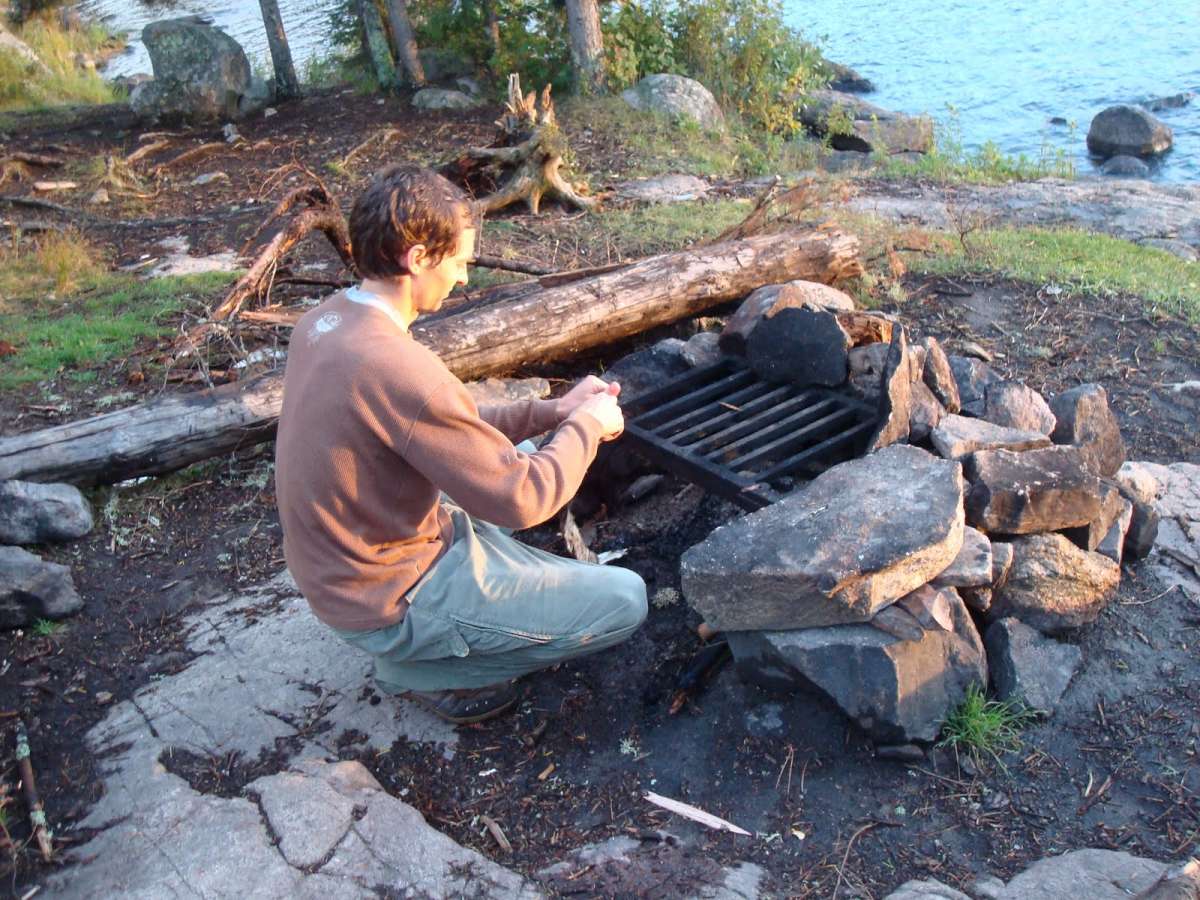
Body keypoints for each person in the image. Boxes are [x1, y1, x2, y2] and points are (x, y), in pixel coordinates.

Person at [274, 164, 648, 724]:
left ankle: (462, 606)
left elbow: (446, 424)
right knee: (626, 600)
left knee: (523, 457)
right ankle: (419, 668)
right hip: (385, 593)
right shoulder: (394, 365)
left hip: (345, 566)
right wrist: (588, 426)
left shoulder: (327, 321)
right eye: (459, 262)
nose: (465, 279)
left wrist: (554, 411)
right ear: (417, 258)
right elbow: (523, 499)